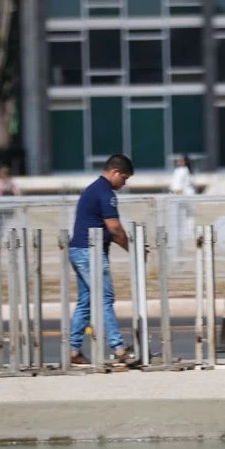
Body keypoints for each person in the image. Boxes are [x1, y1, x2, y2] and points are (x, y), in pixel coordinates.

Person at [67, 154, 135, 367]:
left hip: (79, 249)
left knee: (86, 301)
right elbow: (114, 228)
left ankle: (73, 349)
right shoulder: (105, 193)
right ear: (115, 172)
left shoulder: (94, 189)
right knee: (104, 298)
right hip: (90, 252)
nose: (124, 184)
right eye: (124, 178)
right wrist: (133, 249)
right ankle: (118, 347)